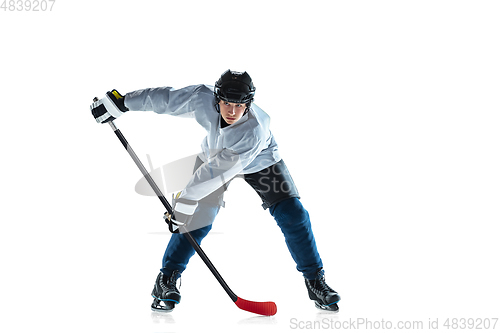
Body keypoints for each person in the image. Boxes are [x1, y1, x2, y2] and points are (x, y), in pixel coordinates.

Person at [90, 70, 341, 313]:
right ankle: (167, 279)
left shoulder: (254, 129)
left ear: (249, 104)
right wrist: (122, 102)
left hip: (262, 161)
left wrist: (186, 200)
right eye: (226, 104)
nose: (232, 111)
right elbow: (164, 99)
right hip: (215, 155)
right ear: (216, 99)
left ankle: (315, 281)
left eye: (240, 106)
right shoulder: (201, 97)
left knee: (293, 215)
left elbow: (219, 172)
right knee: (198, 219)